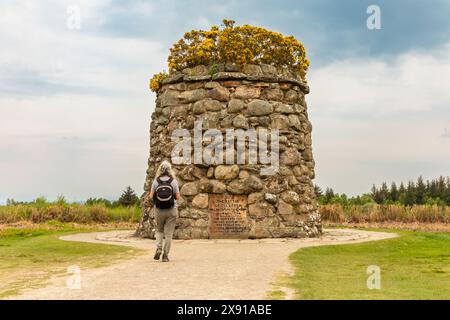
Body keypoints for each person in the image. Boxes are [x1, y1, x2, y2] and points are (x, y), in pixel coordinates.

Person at [149, 160, 181, 262]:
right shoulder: (173, 181)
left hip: (158, 210)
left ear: (160, 169)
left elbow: (150, 196)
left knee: (159, 230)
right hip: (171, 210)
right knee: (168, 234)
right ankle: (165, 255)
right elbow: (178, 197)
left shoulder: (156, 181)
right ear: (170, 170)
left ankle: (158, 248)